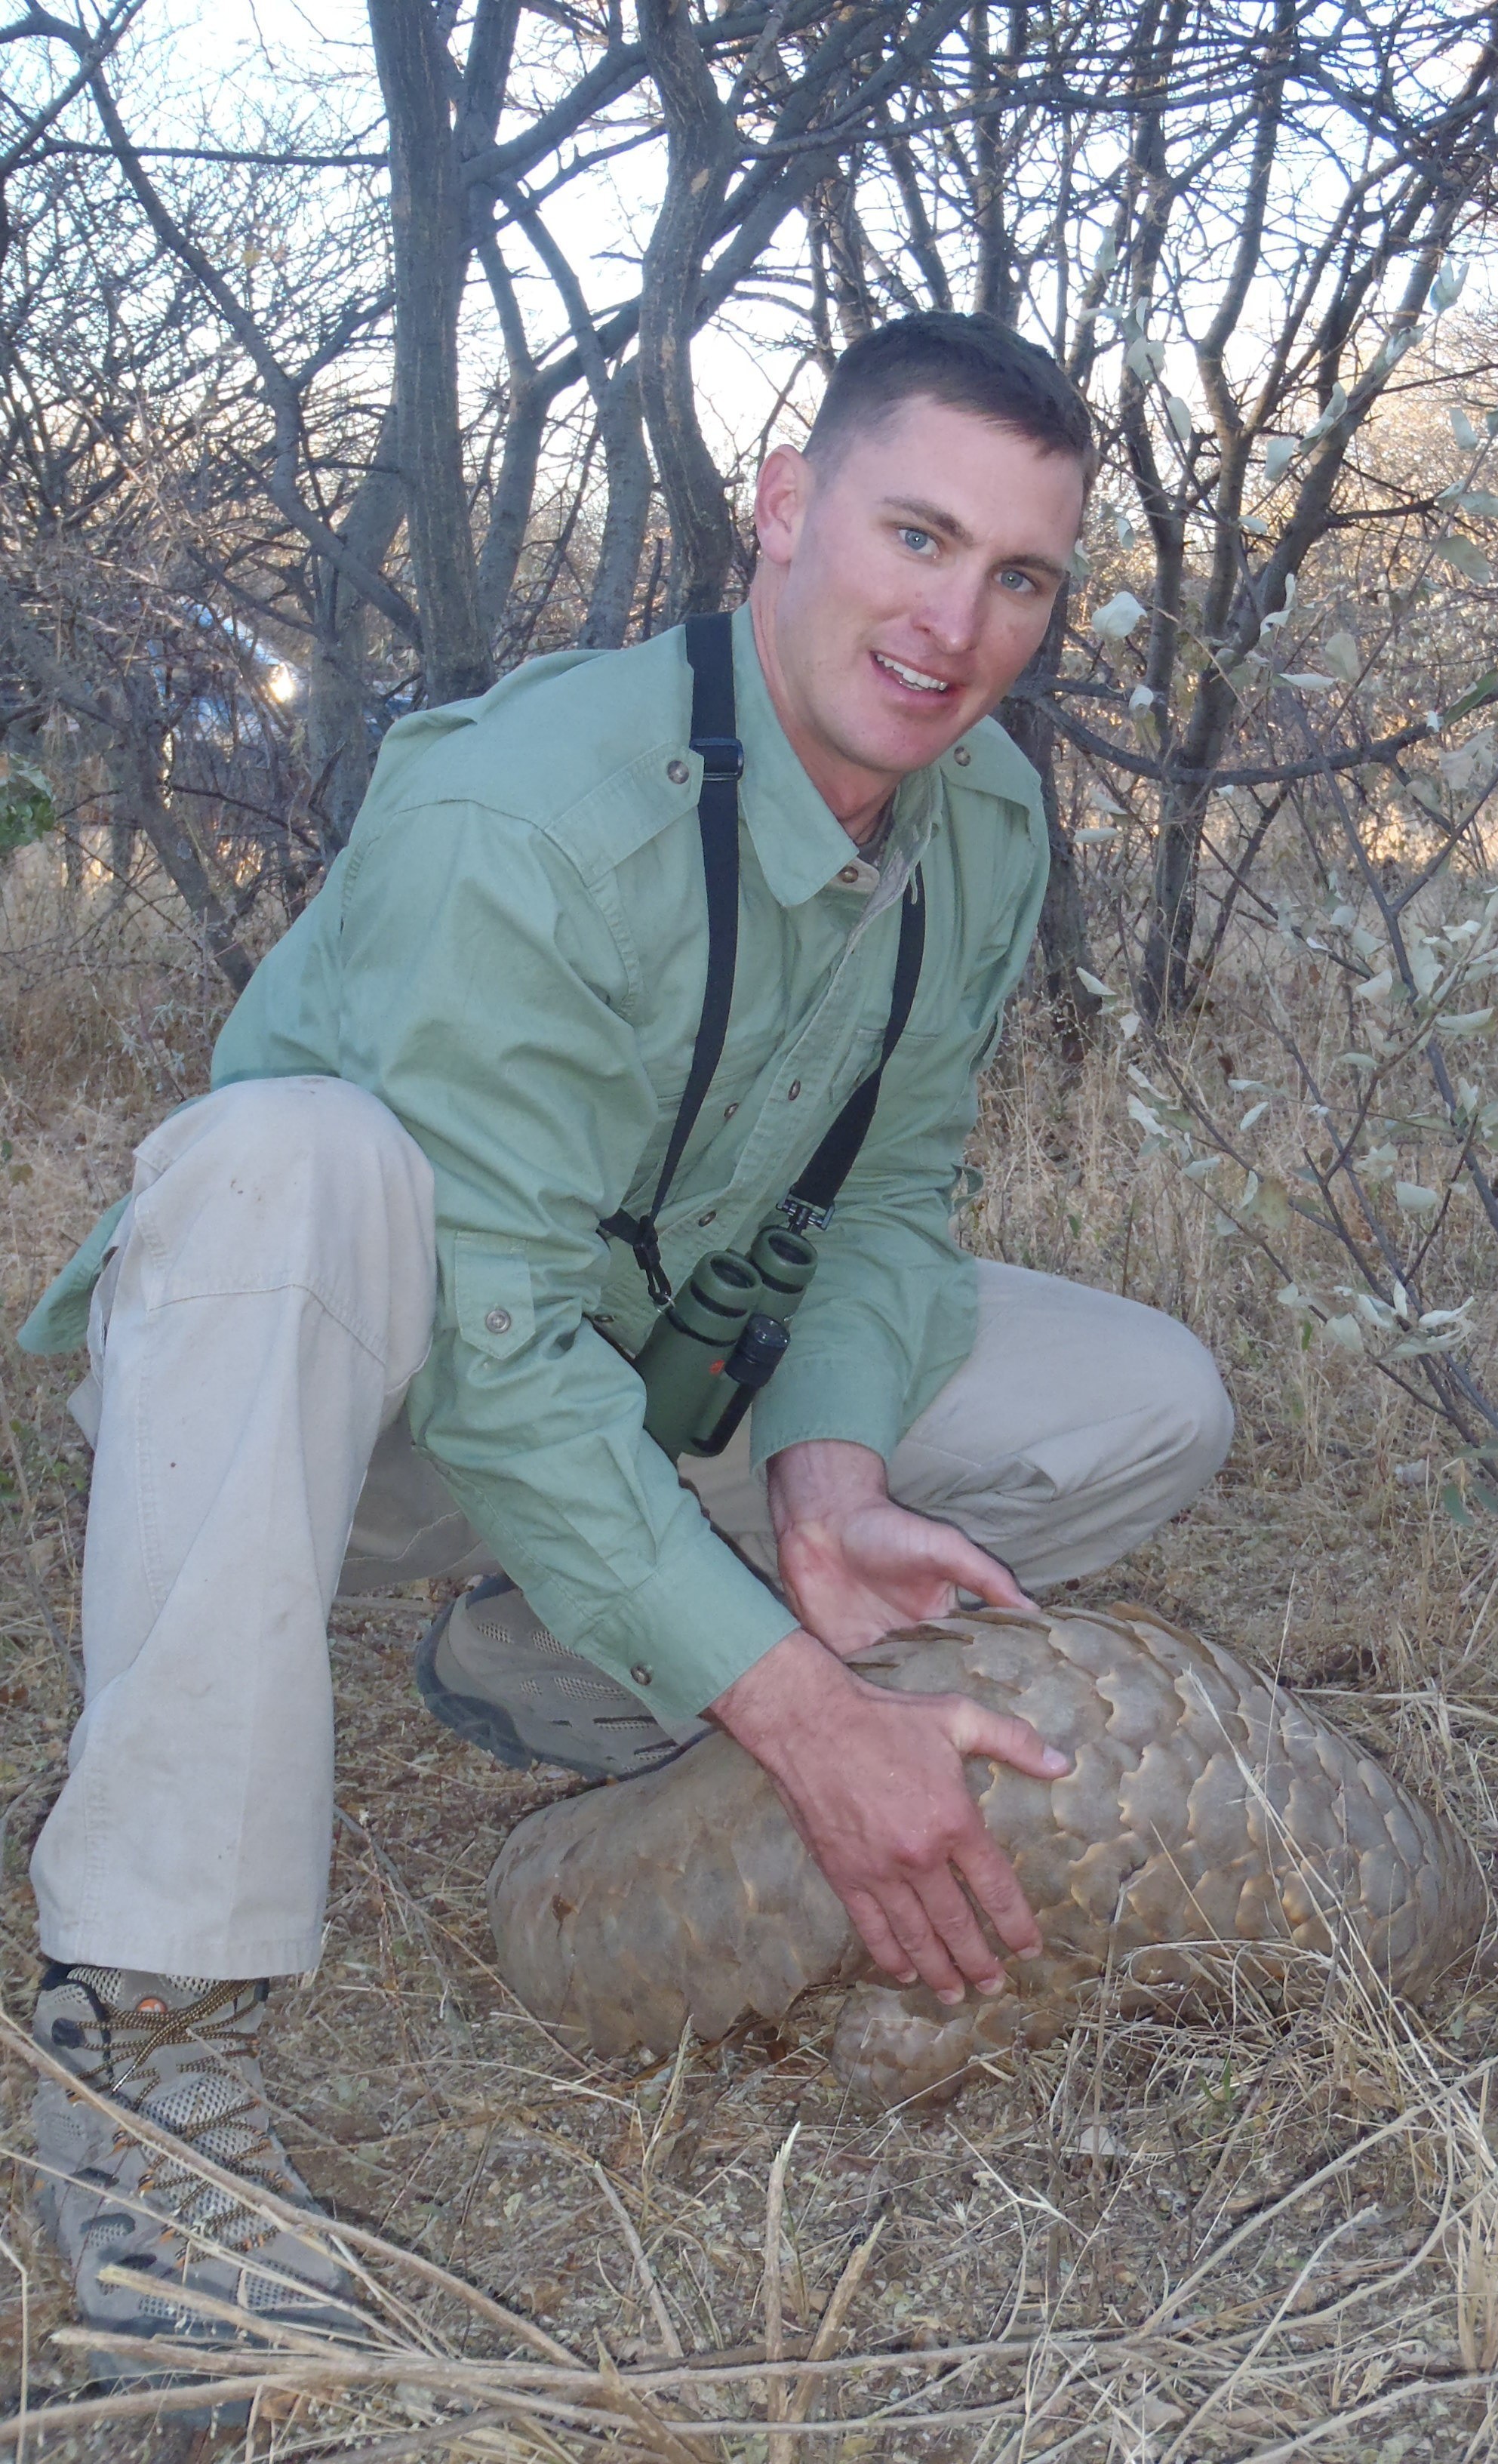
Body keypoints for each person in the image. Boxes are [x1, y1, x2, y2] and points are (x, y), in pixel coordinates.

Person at [16, 311, 1233, 2367]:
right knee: (281, 1160)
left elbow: (896, 1206)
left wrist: (833, 1473)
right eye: (915, 534)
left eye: (1019, 575)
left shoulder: (986, 831)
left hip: (657, 1383)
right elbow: (491, 1351)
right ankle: (140, 2003)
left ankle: (561, 1653)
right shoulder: (533, 811)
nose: (957, 623)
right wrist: (798, 1710)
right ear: (783, 512)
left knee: (1141, 1401)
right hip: (357, 1404)